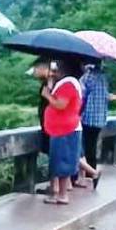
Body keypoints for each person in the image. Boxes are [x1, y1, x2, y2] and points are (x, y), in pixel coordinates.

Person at [42, 60, 82, 204]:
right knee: (59, 161)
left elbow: (61, 104)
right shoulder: (66, 83)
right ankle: (59, 193)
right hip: (61, 129)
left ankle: (62, 194)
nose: (55, 72)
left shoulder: (68, 84)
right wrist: (50, 83)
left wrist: (47, 95)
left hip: (66, 129)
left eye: (57, 69)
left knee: (62, 162)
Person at [80, 63, 109, 177]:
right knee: (92, 147)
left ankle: (89, 174)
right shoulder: (103, 77)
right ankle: (91, 173)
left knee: (85, 148)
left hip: (88, 118)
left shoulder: (88, 77)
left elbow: (81, 94)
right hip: (100, 119)